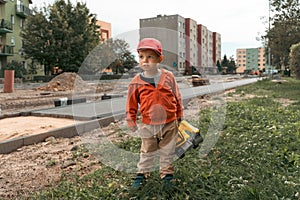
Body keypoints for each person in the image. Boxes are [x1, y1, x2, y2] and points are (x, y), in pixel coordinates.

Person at [126, 38, 183, 189]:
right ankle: (142, 174)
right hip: (148, 125)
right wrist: (131, 119)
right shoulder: (136, 82)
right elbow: (131, 103)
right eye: (141, 57)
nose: (145, 61)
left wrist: (179, 113)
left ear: (159, 59)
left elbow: (176, 96)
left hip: (170, 122)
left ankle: (167, 175)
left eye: (150, 56)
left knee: (167, 150)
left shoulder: (168, 77)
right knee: (147, 150)